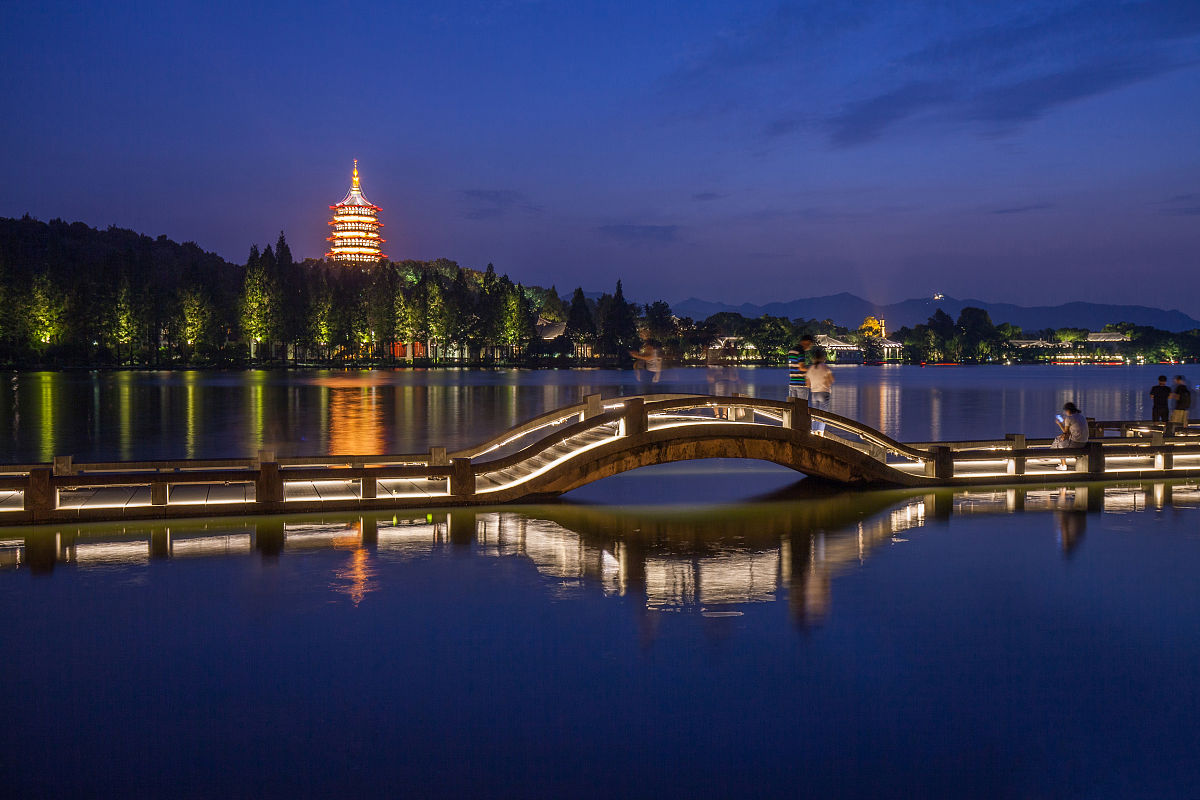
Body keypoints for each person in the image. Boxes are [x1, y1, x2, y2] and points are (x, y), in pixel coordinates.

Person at [1052, 401, 1088, 470]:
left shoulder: (1069, 418)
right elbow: (1071, 431)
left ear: (1068, 410)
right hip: (1084, 442)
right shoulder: (1082, 417)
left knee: (1059, 442)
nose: (1065, 413)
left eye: (1065, 411)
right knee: (1060, 438)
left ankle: (1062, 465)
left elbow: (1066, 433)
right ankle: (1049, 454)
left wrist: (1059, 424)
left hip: (1076, 443)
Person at [806, 352, 834, 435]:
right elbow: (831, 380)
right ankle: (821, 432)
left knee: (814, 412)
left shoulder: (811, 368)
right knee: (823, 412)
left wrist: (814, 385)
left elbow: (807, 384)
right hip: (824, 392)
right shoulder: (825, 368)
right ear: (822, 358)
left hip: (814, 393)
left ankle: (814, 431)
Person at [787, 335, 814, 400]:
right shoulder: (801, 351)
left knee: (792, 407)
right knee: (802, 407)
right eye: (810, 344)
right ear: (807, 342)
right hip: (801, 384)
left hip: (792, 384)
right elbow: (801, 367)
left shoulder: (791, 351)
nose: (810, 347)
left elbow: (794, 366)